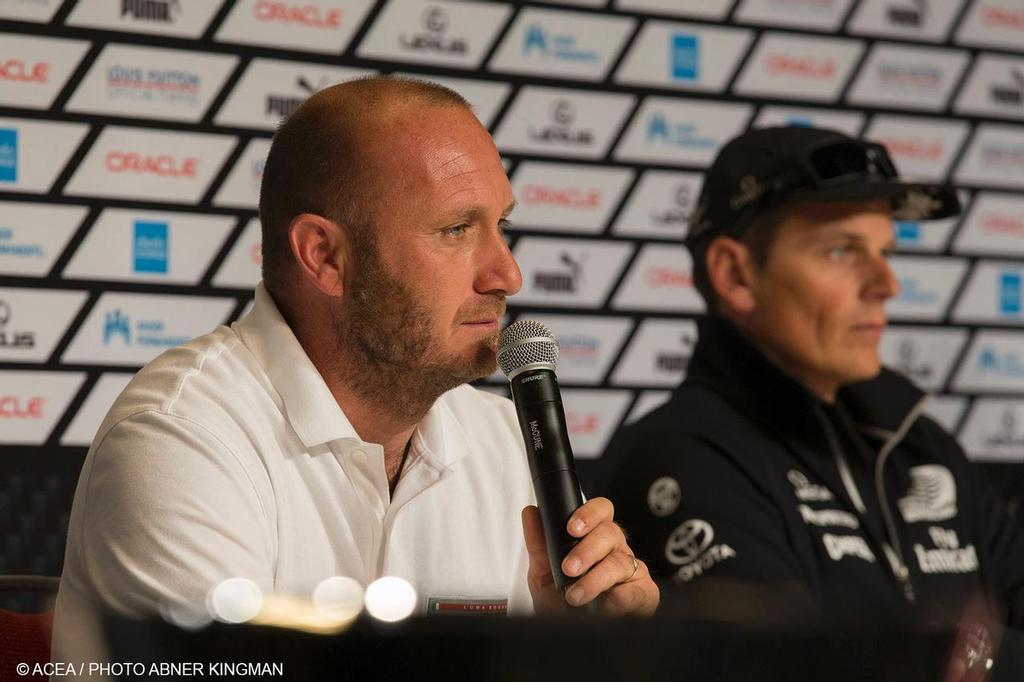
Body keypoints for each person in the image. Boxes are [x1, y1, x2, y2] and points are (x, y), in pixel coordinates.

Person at [53, 76, 658, 662]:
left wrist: (576, 654)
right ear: (325, 256)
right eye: (455, 230)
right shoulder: (180, 439)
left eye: (502, 227)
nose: (507, 275)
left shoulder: (505, 441)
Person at [600, 126, 1024, 631]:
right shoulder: (679, 458)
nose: (886, 285)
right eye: (842, 251)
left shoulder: (923, 447)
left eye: (885, 253)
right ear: (736, 275)